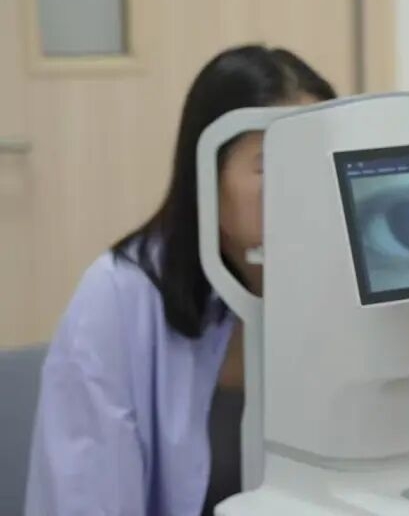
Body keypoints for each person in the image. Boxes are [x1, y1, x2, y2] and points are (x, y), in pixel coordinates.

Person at [23, 45, 337, 516]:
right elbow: (86, 499)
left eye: (317, 157)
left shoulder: (344, 288)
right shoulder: (117, 297)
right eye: (272, 163)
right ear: (207, 175)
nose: (305, 184)